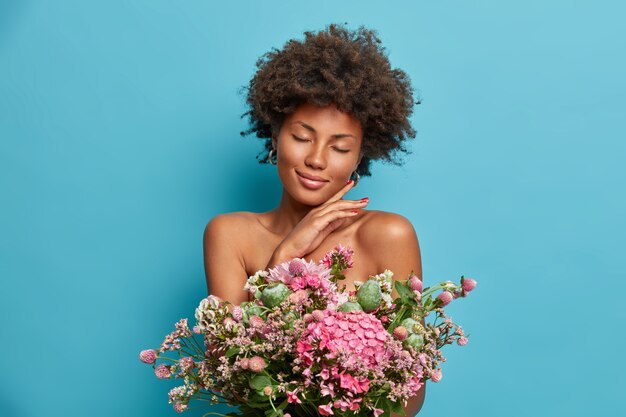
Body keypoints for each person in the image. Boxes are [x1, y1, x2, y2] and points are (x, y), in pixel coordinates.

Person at [203, 24, 425, 416]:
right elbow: (233, 380)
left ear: (360, 158)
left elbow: (411, 394)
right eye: (302, 137)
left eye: (340, 147)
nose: (317, 159)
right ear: (274, 136)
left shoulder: (388, 235)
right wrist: (285, 256)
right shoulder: (229, 235)